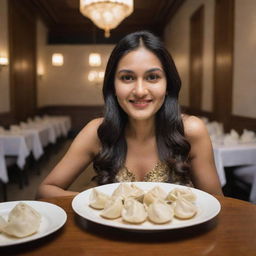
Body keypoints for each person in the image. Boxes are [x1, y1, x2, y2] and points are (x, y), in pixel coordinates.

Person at [36, 31, 223, 199]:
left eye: (152, 77)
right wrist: (96, 202)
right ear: (113, 87)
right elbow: (45, 190)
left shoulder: (190, 130)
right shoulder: (97, 131)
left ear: (168, 86)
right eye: (127, 77)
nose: (140, 91)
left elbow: (217, 203)